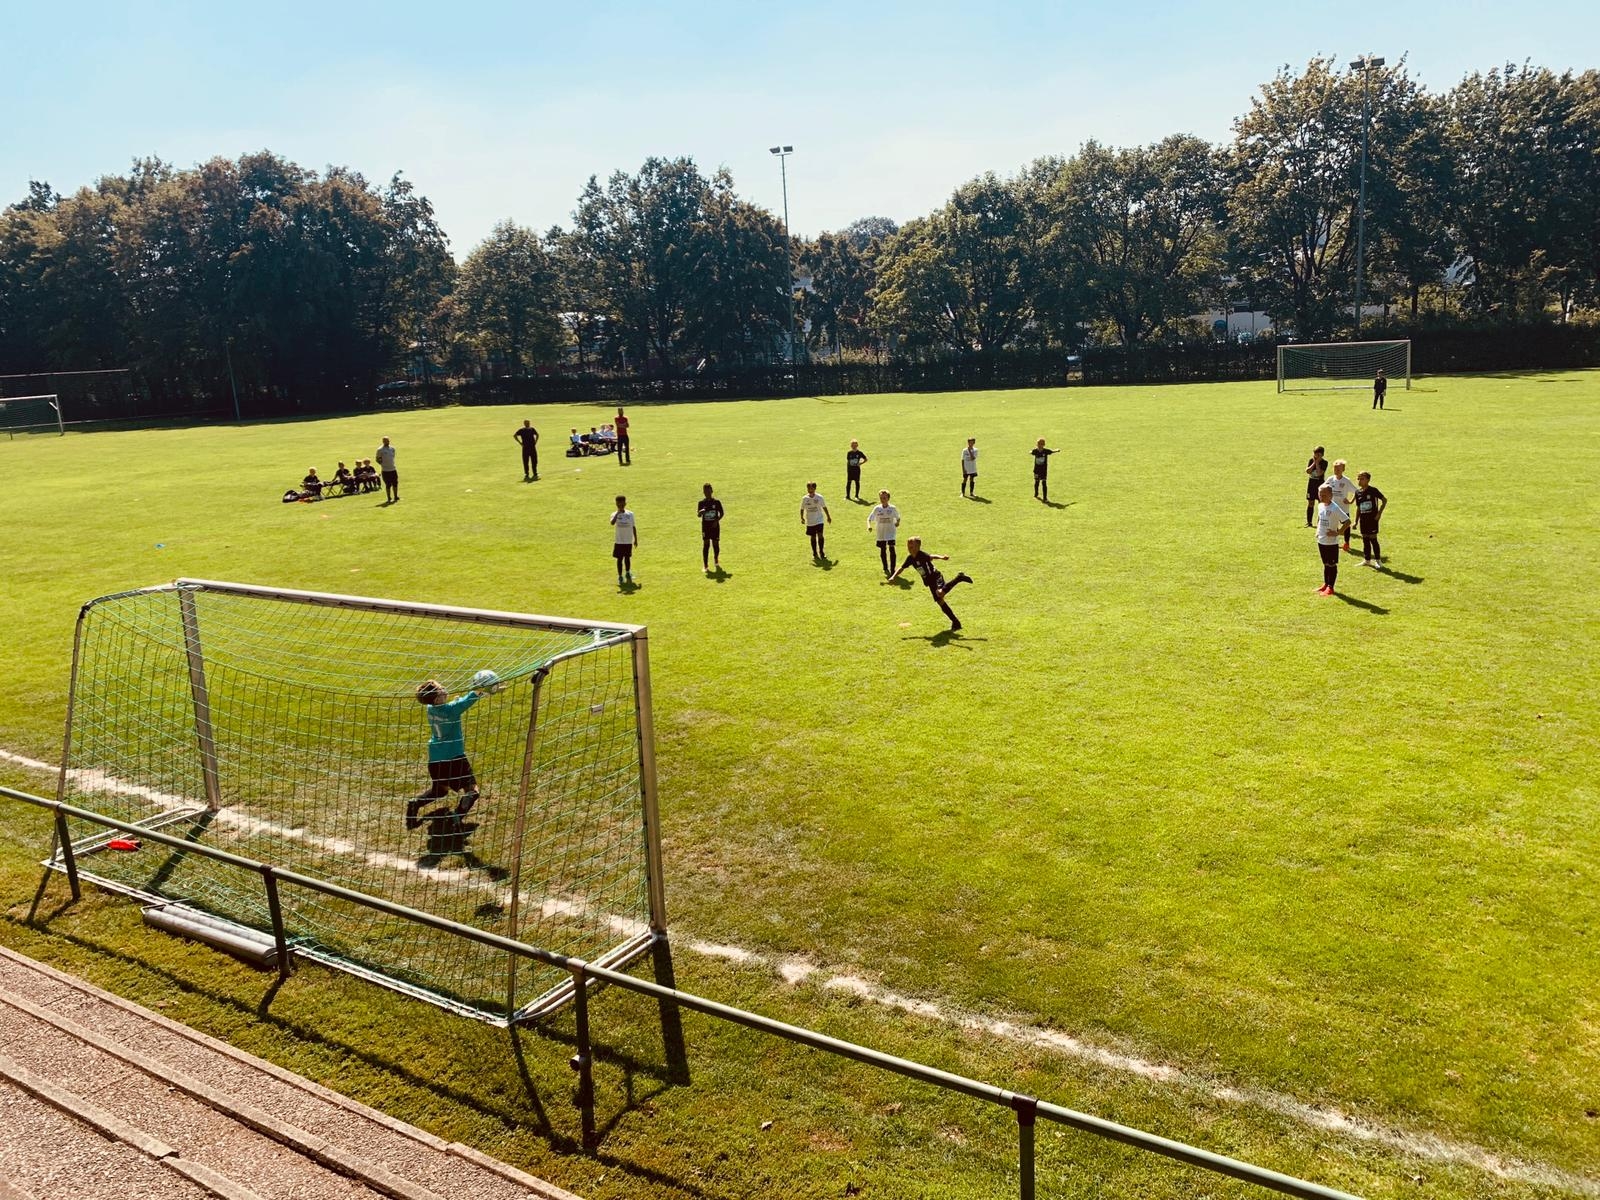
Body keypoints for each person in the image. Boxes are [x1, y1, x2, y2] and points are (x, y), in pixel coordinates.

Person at [406, 678, 493, 834]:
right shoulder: (452, 710)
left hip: (435, 759)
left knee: (440, 791)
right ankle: (457, 817)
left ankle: (415, 803)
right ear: (436, 699)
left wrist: (456, 702)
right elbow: (467, 701)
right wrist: (482, 688)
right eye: (441, 689)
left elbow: (451, 708)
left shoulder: (430, 709)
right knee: (472, 791)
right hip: (454, 758)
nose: (444, 689)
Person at [891, 537, 974, 631]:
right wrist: (893, 576)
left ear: (918, 547)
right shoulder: (910, 558)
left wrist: (942, 557)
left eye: (912, 547)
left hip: (936, 576)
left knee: (940, 593)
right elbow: (902, 568)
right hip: (930, 582)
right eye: (908, 547)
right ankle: (956, 623)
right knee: (940, 602)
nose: (909, 549)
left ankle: (959, 578)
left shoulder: (922, 555)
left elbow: (932, 556)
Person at [1353, 471, 1388, 566]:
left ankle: (1378, 560)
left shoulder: (1373, 490)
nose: (1359, 481)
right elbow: (1358, 508)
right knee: (1365, 540)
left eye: (1362, 479)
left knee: (1373, 539)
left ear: (1368, 480)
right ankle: (1367, 560)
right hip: (1363, 520)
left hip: (1372, 520)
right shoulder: (1357, 492)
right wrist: (1356, 521)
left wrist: (1379, 514)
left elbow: (1384, 500)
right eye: (1359, 479)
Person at [867, 489, 901, 577]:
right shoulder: (877, 509)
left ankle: (893, 569)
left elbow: (898, 517)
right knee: (883, 549)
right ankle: (885, 567)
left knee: (892, 549)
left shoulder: (892, 508)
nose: (882, 500)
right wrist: (869, 526)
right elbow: (869, 518)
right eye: (881, 498)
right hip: (881, 533)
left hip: (891, 532)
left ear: (888, 498)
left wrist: (897, 523)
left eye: (884, 498)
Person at [1326, 459, 1357, 552]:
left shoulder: (1346, 481)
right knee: (1333, 525)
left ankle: (1346, 543)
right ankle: (1334, 542)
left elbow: (1357, 492)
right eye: (1335, 468)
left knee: (1346, 526)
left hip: (1343, 508)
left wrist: (1351, 501)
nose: (1336, 470)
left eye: (1338, 469)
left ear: (1343, 469)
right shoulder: (1330, 479)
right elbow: (1322, 488)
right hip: (1332, 507)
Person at [800, 481, 832, 559]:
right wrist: (802, 518)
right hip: (810, 521)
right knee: (813, 537)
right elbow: (802, 509)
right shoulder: (805, 499)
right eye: (808, 489)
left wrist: (828, 516)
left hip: (819, 520)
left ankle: (821, 552)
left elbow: (824, 507)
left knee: (820, 535)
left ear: (815, 489)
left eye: (811, 489)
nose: (810, 490)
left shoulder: (819, 497)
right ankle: (814, 553)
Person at [611, 495, 638, 584]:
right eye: (619, 504)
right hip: (619, 541)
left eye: (622, 504)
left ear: (625, 503)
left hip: (628, 541)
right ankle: (620, 576)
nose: (621, 506)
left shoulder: (630, 514)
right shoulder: (614, 514)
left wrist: (635, 539)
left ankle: (627, 572)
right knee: (619, 559)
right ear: (616, 504)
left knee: (627, 558)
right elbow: (612, 523)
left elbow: (633, 526)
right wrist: (618, 513)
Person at [697, 483, 724, 572]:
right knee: (706, 544)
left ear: (711, 491)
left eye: (708, 491)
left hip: (715, 527)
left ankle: (716, 559)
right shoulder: (701, 503)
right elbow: (698, 515)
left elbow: (722, 513)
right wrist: (701, 512)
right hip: (705, 527)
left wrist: (717, 521)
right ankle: (705, 565)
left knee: (715, 544)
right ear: (703, 492)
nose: (707, 493)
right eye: (705, 492)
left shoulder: (716, 502)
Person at [1304, 446, 1328, 527]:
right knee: (1310, 503)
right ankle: (1309, 522)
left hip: (1320, 485)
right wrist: (1314, 463)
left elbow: (1319, 473)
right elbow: (1308, 471)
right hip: (1311, 485)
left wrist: (1317, 463)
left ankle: (1320, 522)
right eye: (1315, 454)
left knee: (1321, 504)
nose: (1316, 456)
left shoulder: (1325, 463)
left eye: (1318, 454)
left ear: (1322, 455)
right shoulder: (1311, 461)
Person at [376, 437, 398, 502]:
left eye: (388, 441)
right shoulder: (380, 450)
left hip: (393, 469)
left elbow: (393, 457)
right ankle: (389, 498)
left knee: (395, 483)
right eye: (385, 441)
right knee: (388, 484)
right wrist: (383, 464)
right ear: (383, 441)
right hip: (385, 470)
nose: (387, 442)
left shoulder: (392, 449)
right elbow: (377, 459)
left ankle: (396, 497)